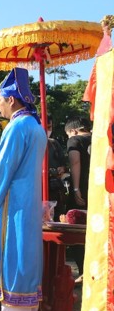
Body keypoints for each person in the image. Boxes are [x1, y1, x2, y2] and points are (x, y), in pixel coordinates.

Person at [0, 68, 47, 311]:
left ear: (12, 100)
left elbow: (2, 168)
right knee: (25, 252)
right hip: (28, 201)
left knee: (12, 253)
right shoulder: (35, 126)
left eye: (0, 101)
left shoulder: (17, 127)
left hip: (13, 203)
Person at [65, 116, 92, 278]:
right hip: (101, 190)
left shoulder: (75, 140)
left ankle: (83, 270)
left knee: (75, 226)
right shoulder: (102, 137)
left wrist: (75, 189)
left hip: (82, 189)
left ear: (73, 131)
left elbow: (75, 162)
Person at [46, 115, 68, 220]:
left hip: (55, 188)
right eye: (44, 126)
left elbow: (64, 163)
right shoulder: (31, 144)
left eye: (49, 127)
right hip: (37, 189)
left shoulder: (54, 143)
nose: (47, 130)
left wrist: (62, 168)